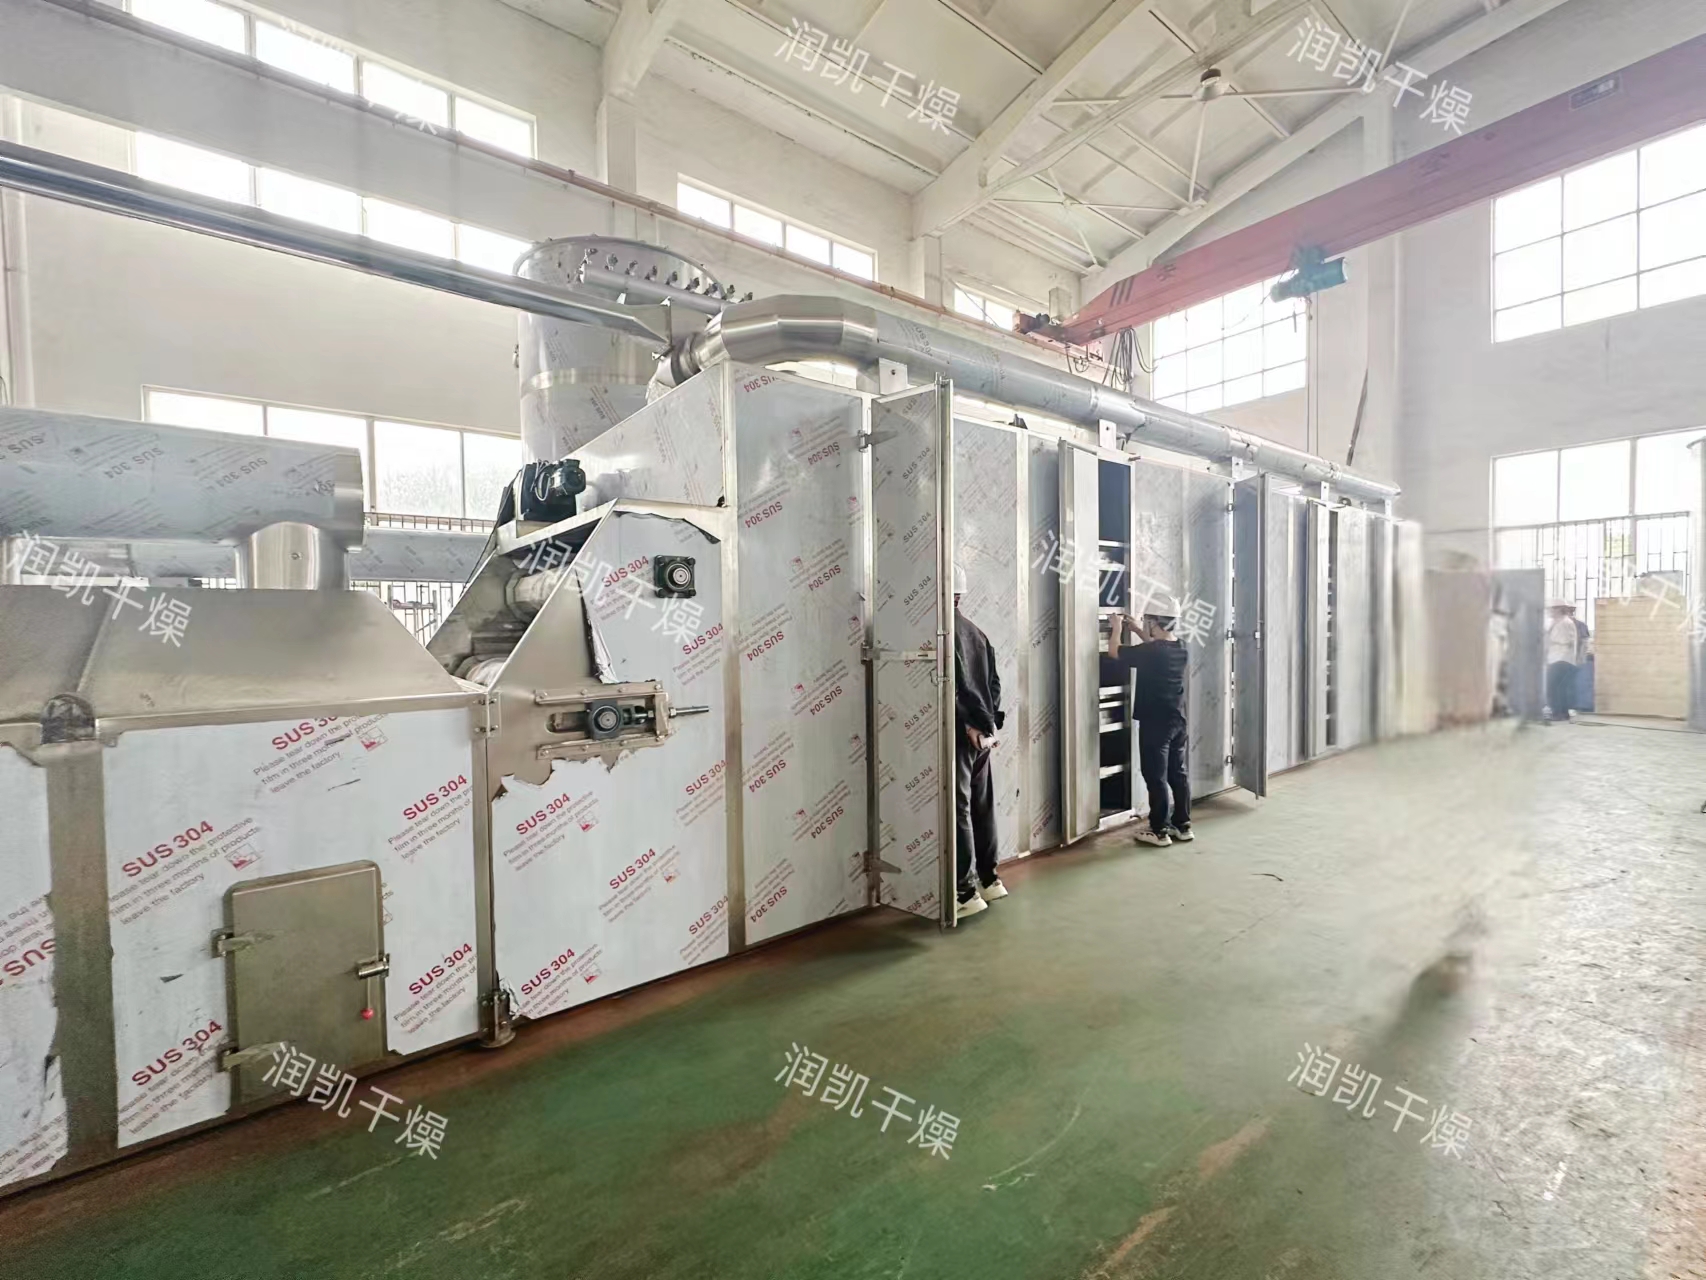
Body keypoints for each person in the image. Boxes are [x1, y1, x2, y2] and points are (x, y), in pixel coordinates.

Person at [1108, 611, 1192, 847]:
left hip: (1155, 723)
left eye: (1147, 622)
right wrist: (1137, 629)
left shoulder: (1151, 652)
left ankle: (1159, 830)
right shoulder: (1181, 647)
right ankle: (1183, 825)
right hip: (1178, 720)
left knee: (1156, 776)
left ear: (1155, 623)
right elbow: (1156, 646)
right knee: (1178, 774)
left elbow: (1114, 651)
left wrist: (1116, 627)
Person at [952, 564, 1007, 921]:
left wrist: (968, 724)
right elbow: (993, 687)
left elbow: (953, 687)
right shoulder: (978, 633)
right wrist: (988, 727)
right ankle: (990, 879)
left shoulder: (944, 635)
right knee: (981, 807)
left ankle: (964, 892)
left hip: (961, 735)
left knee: (959, 809)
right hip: (981, 736)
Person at [1544, 601, 1590, 722]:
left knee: (1553, 687)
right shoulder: (1557, 622)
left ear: (1559, 609)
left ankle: (1557, 713)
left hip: (1561, 658)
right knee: (1560, 688)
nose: (1550, 612)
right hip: (1557, 657)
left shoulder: (1565, 622)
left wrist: (1550, 640)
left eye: (1552, 609)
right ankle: (1563, 713)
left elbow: (1566, 641)